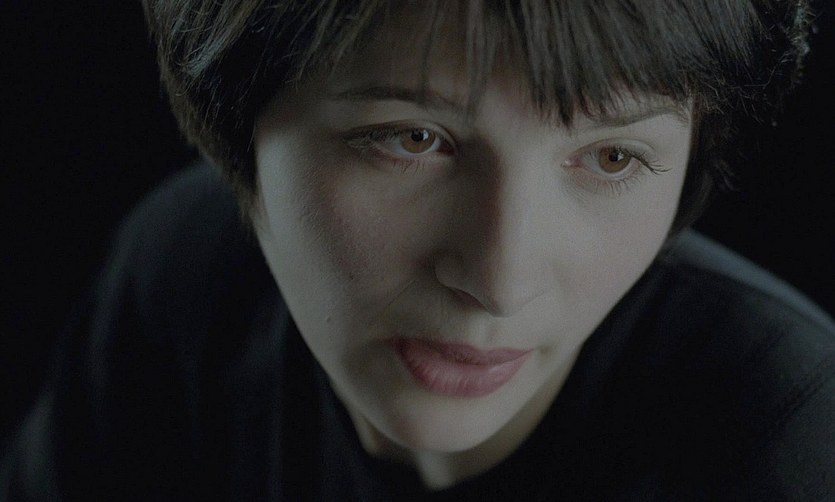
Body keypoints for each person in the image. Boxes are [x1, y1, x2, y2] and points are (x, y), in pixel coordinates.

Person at [3, 0, 834, 500]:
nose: (499, 281)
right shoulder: (184, 276)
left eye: (613, 158)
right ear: (239, 128)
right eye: (411, 138)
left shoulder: (786, 439)